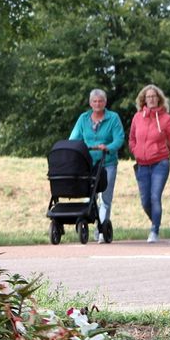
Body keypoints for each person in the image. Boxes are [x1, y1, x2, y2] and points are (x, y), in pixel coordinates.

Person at [128, 84, 170, 243]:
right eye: (148, 97)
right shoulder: (137, 117)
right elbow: (132, 139)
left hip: (160, 163)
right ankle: (155, 220)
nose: (151, 99)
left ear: (159, 99)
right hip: (142, 165)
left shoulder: (167, 119)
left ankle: (154, 230)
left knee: (155, 197)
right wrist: (136, 150)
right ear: (144, 100)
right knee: (145, 201)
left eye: (154, 96)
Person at [69, 89, 125, 242]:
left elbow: (119, 138)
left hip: (107, 162)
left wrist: (108, 147)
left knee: (105, 198)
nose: (97, 104)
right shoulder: (83, 118)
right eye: (95, 101)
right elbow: (74, 138)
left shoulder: (113, 118)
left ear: (105, 102)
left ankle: (100, 231)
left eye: (100, 101)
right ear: (90, 103)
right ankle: (89, 222)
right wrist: (75, 148)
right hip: (88, 163)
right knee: (90, 196)